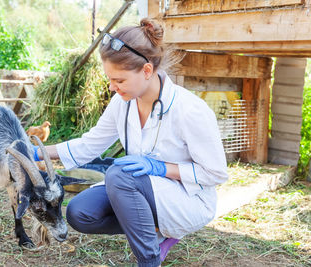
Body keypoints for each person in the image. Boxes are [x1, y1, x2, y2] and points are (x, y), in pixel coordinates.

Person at [34, 18, 228, 267]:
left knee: (119, 174)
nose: (113, 87)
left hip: (188, 198)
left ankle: (149, 260)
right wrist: (36, 152)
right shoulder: (122, 103)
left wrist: (160, 168)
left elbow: (215, 173)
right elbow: (89, 144)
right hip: (141, 191)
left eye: (120, 80)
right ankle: (155, 234)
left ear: (147, 70)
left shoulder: (190, 110)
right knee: (79, 213)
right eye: (110, 79)